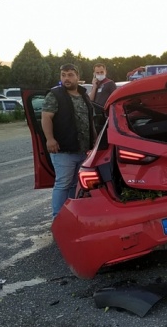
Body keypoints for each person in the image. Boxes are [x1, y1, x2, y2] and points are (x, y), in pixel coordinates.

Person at [41, 63, 97, 219]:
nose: (66, 78)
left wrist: (95, 139)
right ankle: (58, 218)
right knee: (63, 184)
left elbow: (89, 119)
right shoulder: (55, 95)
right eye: (63, 75)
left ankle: (71, 216)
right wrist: (50, 139)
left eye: (70, 75)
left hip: (83, 149)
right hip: (64, 150)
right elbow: (46, 117)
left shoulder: (84, 95)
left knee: (75, 185)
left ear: (78, 77)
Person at [89, 63, 117, 131]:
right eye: (97, 73)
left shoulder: (110, 83)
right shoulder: (96, 84)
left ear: (105, 72)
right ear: (94, 74)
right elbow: (91, 99)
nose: (100, 74)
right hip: (96, 115)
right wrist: (94, 86)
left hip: (105, 115)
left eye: (101, 72)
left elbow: (115, 98)